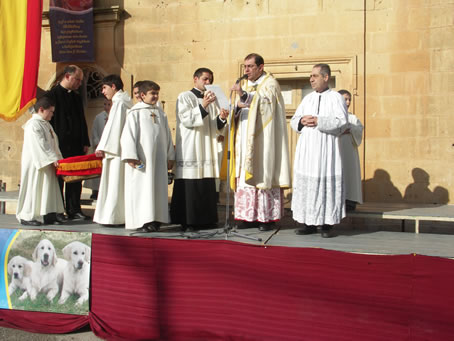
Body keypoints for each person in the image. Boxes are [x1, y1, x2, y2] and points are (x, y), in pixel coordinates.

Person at [229, 53, 291, 231]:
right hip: (244, 138)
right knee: (244, 176)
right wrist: (235, 108)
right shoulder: (246, 84)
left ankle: (266, 218)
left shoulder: (270, 83)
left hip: (263, 139)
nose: (246, 70)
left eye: (250, 66)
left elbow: (266, 105)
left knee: (262, 173)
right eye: (245, 66)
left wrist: (243, 95)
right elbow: (236, 107)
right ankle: (248, 217)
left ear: (260, 67)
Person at [290, 63, 348, 238]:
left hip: (325, 149)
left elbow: (341, 122)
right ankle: (308, 223)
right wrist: (301, 121)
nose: (311, 79)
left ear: (326, 77)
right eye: (311, 76)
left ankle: (326, 225)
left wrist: (319, 121)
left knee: (324, 183)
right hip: (307, 150)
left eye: (315, 76)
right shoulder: (307, 98)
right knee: (308, 184)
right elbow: (294, 121)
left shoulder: (336, 98)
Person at [170, 67, 228, 231]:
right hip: (191, 147)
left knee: (206, 184)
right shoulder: (185, 97)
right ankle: (188, 221)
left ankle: (206, 219)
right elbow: (187, 120)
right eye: (205, 79)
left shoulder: (213, 99)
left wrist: (222, 118)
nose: (208, 82)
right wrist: (203, 105)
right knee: (191, 184)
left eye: (210, 79)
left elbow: (215, 127)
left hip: (206, 146)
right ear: (195, 79)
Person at [121, 81, 175, 231]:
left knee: (157, 189)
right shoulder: (135, 113)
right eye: (153, 93)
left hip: (158, 160)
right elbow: (128, 136)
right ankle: (143, 221)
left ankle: (157, 219)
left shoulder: (160, 113)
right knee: (142, 189)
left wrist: (170, 156)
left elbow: (168, 136)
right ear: (142, 95)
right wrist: (131, 156)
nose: (156, 96)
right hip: (142, 160)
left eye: (157, 93)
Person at [48, 65, 90, 221]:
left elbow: (81, 120)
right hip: (59, 145)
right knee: (58, 179)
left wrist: (85, 140)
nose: (79, 83)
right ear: (67, 76)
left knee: (76, 178)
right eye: (77, 80)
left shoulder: (76, 97)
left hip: (76, 144)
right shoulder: (52, 95)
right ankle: (58, 210)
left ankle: (74, 209)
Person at [16, 95, 65, 226]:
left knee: (47, 188)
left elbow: (54, 143)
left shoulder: (46, 124)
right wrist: (53, 158)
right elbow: (40, 144)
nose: (52, 114)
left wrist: (58, 159)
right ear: (42, 109)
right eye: (51, 111)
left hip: (46, 162)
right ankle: (27, 215)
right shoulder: (33, 125)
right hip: (36, 164)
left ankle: (48, 215)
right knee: (34, 188)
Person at [93, 75, 133, 226]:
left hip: (116, 150)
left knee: (115, 182)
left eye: (104, 87)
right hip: (120, 148)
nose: (103, 92)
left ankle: (113, 217)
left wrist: (103, 147)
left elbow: (114, 127)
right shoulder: (124, 101)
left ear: (113, 87)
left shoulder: (119, 103)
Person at [338, 89, 363, 211]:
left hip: (349, 150)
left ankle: (350, 200)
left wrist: (351, 129)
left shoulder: (353, 118)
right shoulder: (333, 117)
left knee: (350, 173)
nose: (347, 102)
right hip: (337, 149)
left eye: (349, 99)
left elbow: (359, 130)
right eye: (345, 99)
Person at [84, 98, 112, 200]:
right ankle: (95, 190)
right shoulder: (99, 117)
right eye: (105, 104)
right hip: (99, 147)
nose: (107, 107)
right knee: (97, 171)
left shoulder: (115, 117)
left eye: (109, 104)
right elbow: (94, 131)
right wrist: (97, 144)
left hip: (110, 148)